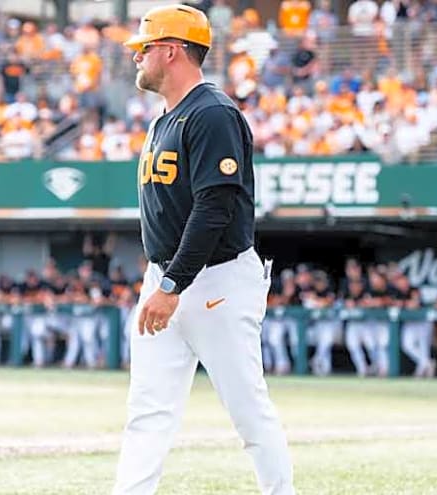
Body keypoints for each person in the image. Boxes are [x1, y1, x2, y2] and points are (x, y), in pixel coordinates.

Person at [115, 5, 295, 494]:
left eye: (144, 47)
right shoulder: (164, 119)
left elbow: (214, 209)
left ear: (171, 50)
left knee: (247, 411)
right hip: (166, 278)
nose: (137, 56)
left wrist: (173, 283)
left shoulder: (212, 112)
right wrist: (162, 280)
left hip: (216, 280)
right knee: (147, 412)